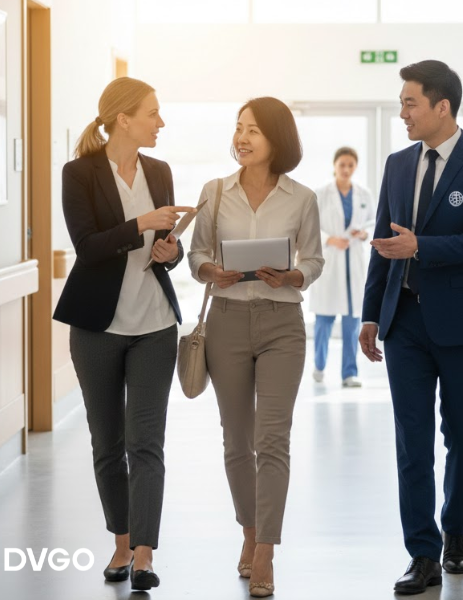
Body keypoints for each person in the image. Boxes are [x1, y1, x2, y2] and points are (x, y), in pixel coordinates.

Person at [360, 60, 463, 595]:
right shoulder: (398, 164)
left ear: (441, 106)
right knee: (412, 440)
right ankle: (421, 553)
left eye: (409, 103)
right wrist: (371, 313)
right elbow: (383, 240)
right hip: (405, 324)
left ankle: (456, 531)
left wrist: (421, 245)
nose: (402, 112)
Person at [53, 77, 192, 591]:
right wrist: (142, 225)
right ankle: (120, 542)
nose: (161, 122)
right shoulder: (79, 173)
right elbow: (88, 248)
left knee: (146, 443)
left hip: (155, 325)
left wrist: (169, 252)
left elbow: (169, 246)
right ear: (124, 118)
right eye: (153, 113)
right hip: (97, 327)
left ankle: (145, 554)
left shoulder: (160, 170)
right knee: (107, 442)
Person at [188, 97, 324, 598]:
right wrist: (208, 269)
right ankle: (247, 531)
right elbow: (197, 252)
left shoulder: (301, 197)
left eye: (254, 130)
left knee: (273, 441)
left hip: (281, 322)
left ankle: (265, 549)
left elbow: (313, 260)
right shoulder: (215, 193)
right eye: (239, 128)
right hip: (225, 320)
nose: (242, 138)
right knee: (236, 442)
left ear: (277, 139)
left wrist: (294, 274)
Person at [309, 147, 376, 387]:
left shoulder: (364, 194)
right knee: (324, 321)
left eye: (350, 165)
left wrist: (364, 232)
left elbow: (373, 219)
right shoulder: (321, 194)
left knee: (352, 322)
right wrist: (329, 239)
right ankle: (319, 366)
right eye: (342, 165)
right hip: (331, 260)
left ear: (355, 167)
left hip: (353, 261)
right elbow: (310, 226)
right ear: (334, 166)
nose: (346, 170)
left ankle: (349, 372)